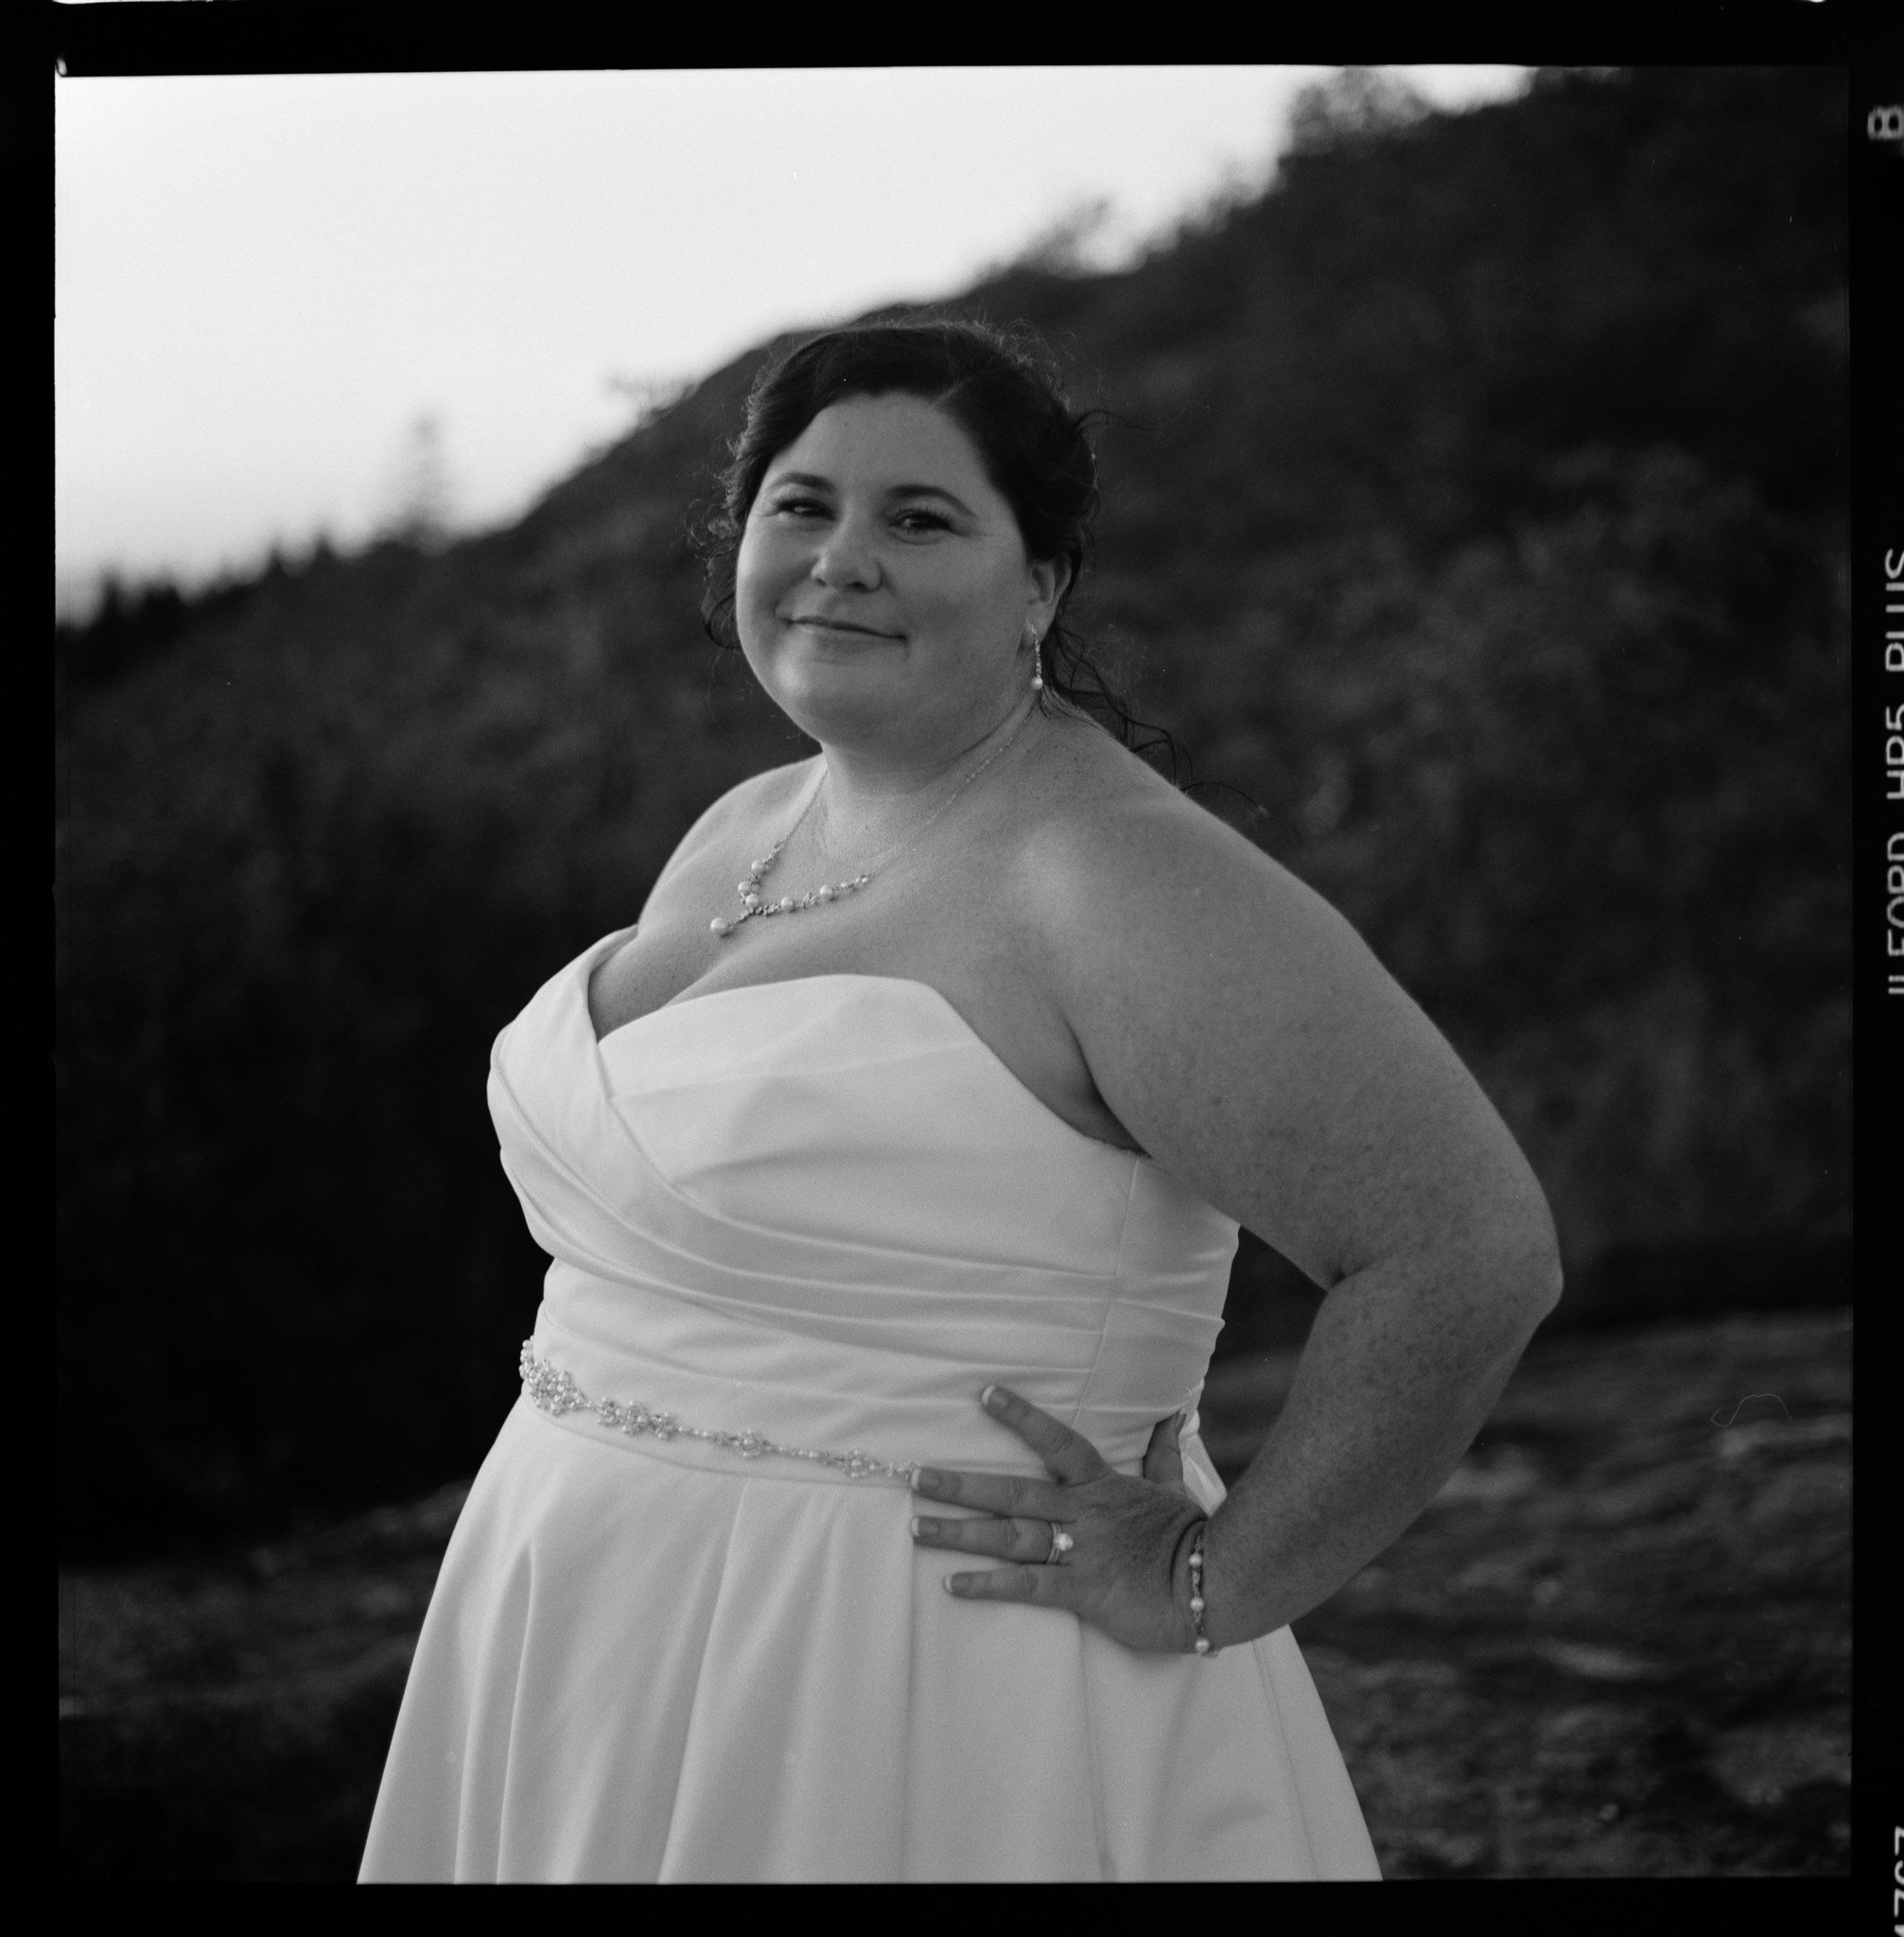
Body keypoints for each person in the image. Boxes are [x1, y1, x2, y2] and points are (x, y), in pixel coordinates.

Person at [358, 318, 1563, 1883]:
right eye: (801, 507)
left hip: (907, 1672)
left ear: (1040, 584)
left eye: (917, 520)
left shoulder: (1110, 877)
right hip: (583, 1610)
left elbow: (1466, 1250)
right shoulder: (748, 819)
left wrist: (1216, 1577)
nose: (839, 561)